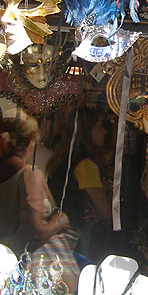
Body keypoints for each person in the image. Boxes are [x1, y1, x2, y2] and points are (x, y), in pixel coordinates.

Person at [0, 115, 79, 289]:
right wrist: (60, 223)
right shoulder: (30, 175)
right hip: (20, 262)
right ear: (31, 141)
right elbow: (37, 233)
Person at [47, 107, 113, 262]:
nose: (105, 132)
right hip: (78, 240)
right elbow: (105, 212)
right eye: (100, 126)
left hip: (57, 235)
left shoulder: (61, 158)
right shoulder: (85, 165)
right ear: (87, 130)